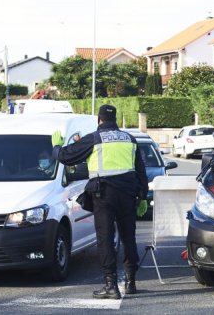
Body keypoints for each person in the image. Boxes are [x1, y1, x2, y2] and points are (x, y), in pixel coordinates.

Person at [51, 104, 148, 300]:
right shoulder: (129, 139)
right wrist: (143, 195)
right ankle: (131, 282)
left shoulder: (94, 139)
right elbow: (141, 170)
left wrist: (57, 146)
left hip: (104, 195)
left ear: (99, 120)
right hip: (128, 194)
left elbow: (65, 157)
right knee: (128, 237)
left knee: (105, 238)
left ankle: (111, 285)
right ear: (116, 119)